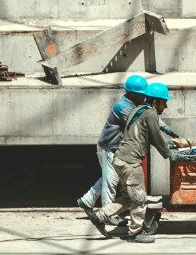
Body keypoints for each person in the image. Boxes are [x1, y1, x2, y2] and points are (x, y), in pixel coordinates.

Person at [100, 80, 189, 244]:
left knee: (131, 198)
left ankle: (101, 215)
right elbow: (156, 137)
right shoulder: (150, 114)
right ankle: (135, 233)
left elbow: (143, 135)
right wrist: (170, 155)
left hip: (121, 158)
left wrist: (167, 143)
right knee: (140, 199)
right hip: (130, 162)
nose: (165, 107)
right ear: (155, 102)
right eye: (164, 103)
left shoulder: (138, 109)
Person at [76, 73, 150, 227]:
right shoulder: (123, 107)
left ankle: (87, 200)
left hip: (115, 148)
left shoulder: (132, 104)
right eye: (141, 95)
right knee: (111, 182)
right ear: (133, 94)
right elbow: (139, 122)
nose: (144, 98)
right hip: (109, 148)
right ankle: (107, 215)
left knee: (110, 179)